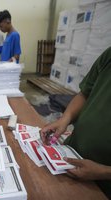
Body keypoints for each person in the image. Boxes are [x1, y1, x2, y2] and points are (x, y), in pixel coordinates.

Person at [40, 47, 111, 198]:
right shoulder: (109, 55)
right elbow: (86, 92)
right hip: (73, 153)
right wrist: (66, 118)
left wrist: (105, 172)